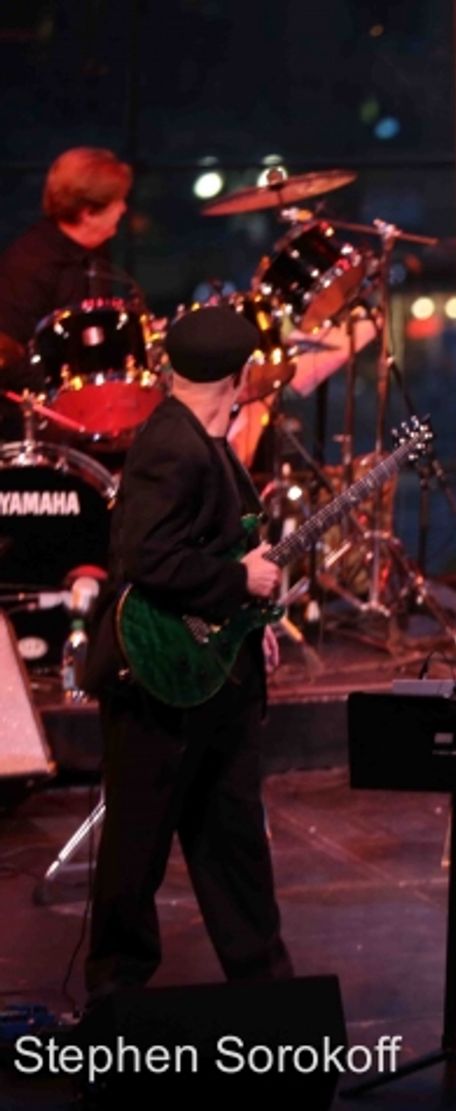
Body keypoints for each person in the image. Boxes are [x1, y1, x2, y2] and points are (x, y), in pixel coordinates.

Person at [83, 305, 294, 1000]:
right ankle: (116, 1008)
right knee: (136, 850)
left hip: (211, 679)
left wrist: (246, 613)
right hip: (156, 682)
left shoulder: (208, 440)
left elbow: (207, 548)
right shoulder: (170, 444)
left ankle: (268, 1001)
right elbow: (145, 554)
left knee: (232, 845)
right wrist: (238, 579)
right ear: (237, 380)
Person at [0, 147, 136, 394]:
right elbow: (7, 356)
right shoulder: (28, 265)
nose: (123, 209)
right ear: (88, 213)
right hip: (35, 412)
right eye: (118, 201)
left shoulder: (95, 251)